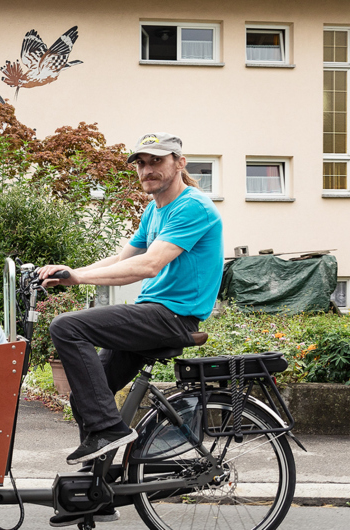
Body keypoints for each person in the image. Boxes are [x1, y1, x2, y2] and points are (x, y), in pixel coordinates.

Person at [38, 132, 223, 527]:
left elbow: (146, 267)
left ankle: (108, 431)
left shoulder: (192, 207)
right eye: (140, 163)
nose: (147, 170)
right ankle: (98, 494)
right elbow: (123, 257)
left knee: (66, 328)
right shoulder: (154, 210)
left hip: (173, 316)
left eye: (156, 161)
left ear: (179, 162)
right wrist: (68, 272)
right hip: (152, 312)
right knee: (89, 394)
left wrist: (76, 280)